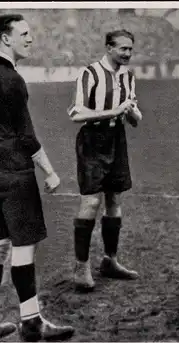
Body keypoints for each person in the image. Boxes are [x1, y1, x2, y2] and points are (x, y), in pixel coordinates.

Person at [0, 14, 75, 341]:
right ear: (6, 38)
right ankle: (31, 323)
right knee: (23, 246)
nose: (31, 39)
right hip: (13, 171)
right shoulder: (12, 80)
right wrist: (51, 171)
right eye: (25, 34)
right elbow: (26, 136)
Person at [67, 29, 143, 292]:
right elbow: (76, 113)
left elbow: (133, 117)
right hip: (93, 141)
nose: (128, 54)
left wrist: (132, 113)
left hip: (116, 139)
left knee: (114, 200)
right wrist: (114, 110)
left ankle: (110, 261)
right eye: (123, 49)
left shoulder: (129, 76)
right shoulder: (90, 73)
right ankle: (81, 266)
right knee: (91, 201)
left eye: (131, 49)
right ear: (109, 48)